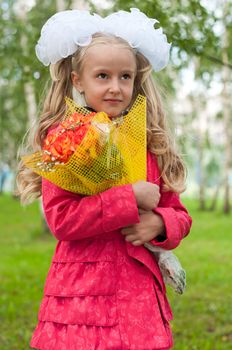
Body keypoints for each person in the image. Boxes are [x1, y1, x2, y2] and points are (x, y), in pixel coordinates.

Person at [17, 8, 192, 350]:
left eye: (125, 77)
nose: (115, 87)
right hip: (82, 297)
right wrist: (129, 199)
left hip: (139, 300)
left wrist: (159, 223)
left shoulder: (148, 143)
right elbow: (62, 221)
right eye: (102, 76)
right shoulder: (65, 141)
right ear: (77, 80)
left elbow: (180, 214)